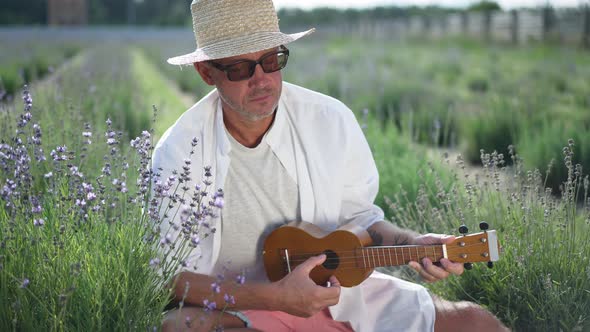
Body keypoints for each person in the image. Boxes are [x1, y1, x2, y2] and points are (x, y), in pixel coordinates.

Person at [153, 0, 509, 331]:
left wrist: (414, 242)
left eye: (272, 60)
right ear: (205, 73)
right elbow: (168, 276)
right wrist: (275, 298)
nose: (261, 79)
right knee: (178, 325)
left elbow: (361, 221)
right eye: (240, 68)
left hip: (336, 293)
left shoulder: (330, 119)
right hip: (234, 311)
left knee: (476, 322)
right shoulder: (179, 151)